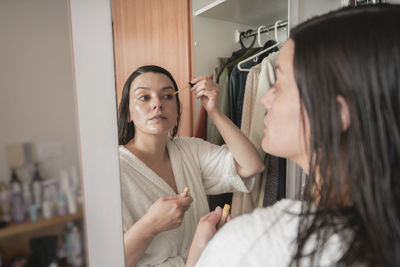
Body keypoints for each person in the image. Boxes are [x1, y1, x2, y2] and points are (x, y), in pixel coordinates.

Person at [186, 4, 400, 267]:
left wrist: (200, 252)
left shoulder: (254, 244)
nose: (265, 99)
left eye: (279, 84)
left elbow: (251, 165)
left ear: (334, 113)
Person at [117, 65, 264, 266]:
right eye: (144, 97)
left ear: (177, 109)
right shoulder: (115, 170)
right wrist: (150, 225)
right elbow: (112, 259)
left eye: (168, 96)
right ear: (128, 114)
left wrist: (214, 111)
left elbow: (251, 166)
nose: (158, 104)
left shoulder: (189, 150)